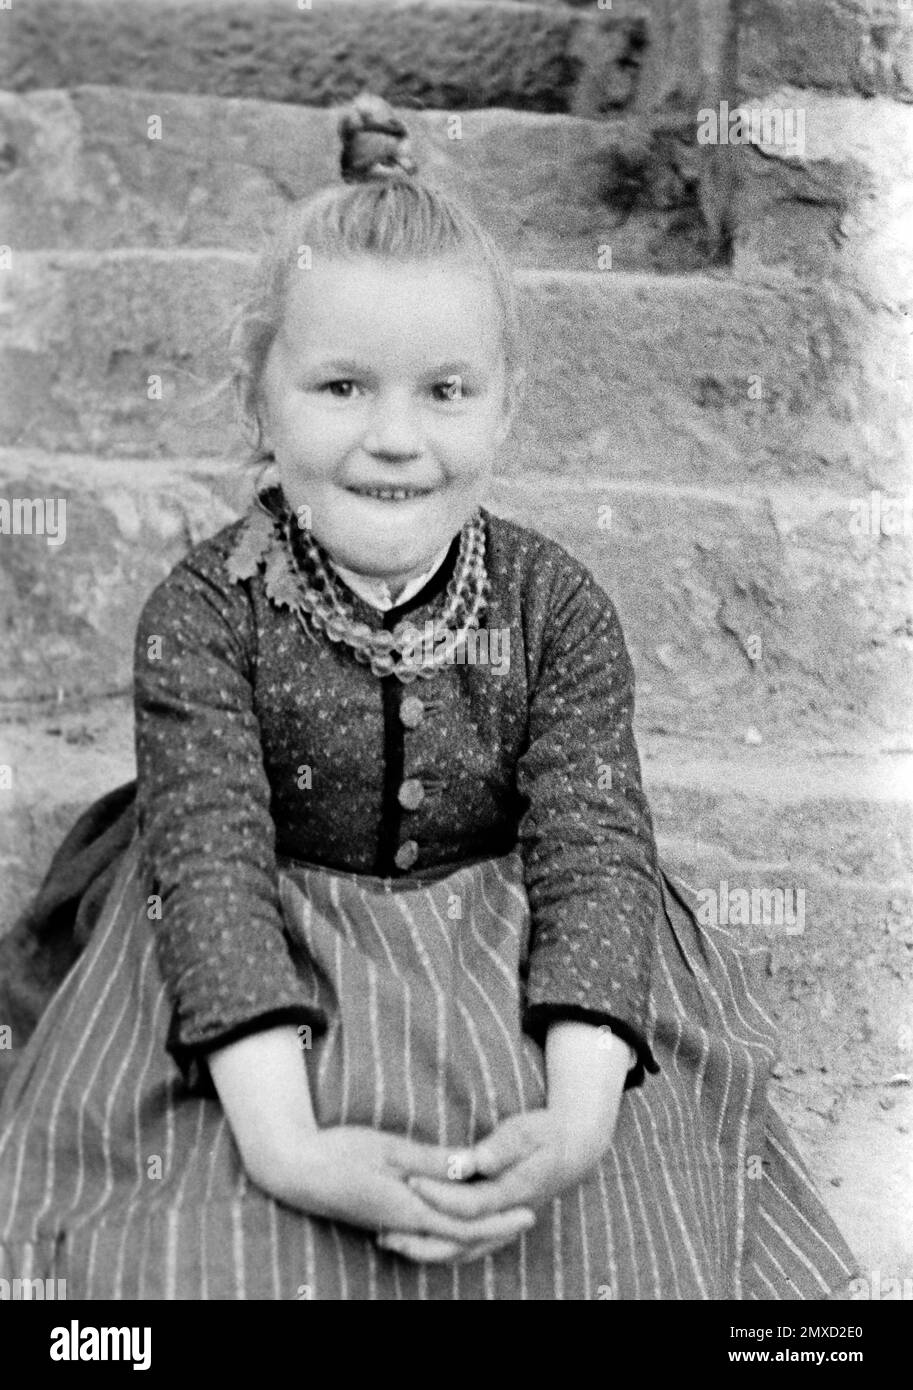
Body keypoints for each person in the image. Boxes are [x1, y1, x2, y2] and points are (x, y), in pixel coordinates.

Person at [0, 95, 858, 1300]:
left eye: (445, 391)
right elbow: (209, 870)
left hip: (511, 961)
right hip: (253, 959)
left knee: (612, 1240)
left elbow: (593, 851)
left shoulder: (555, 609)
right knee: (187, 1247)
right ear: (259, 402)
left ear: (505, 403)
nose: (395, 438)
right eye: (341, 387)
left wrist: (575, 1120)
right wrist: (288, 1147)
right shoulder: (204, 615)